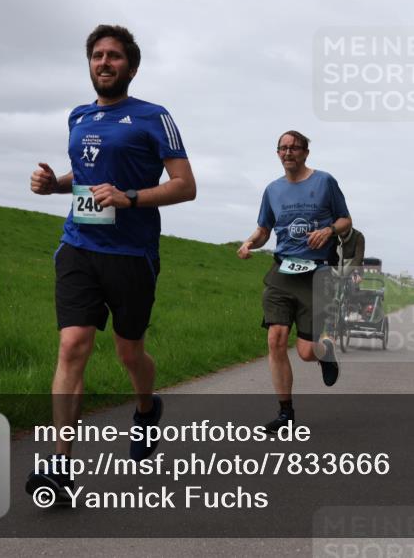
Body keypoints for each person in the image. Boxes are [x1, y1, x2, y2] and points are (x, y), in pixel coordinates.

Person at [26, 24, 196, 503]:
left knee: (129, 354)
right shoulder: (78, 116)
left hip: (132, 255)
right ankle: (59, 468)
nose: (104, 62)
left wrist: (130, 197)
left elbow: (185, 185)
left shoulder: (153, 117)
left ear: (131, 66)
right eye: (97, 55)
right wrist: (52, 185)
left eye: (114, 56)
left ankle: (146, 407)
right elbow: (83, 177)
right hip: (79, 246)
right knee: (73, 346)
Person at [237, 131, 352, 433]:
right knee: (275, 338)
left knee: (304, 352)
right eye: (282, 148)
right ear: (277, 153)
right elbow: (264, 229)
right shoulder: (272, 190)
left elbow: (345, 220)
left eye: (294, 148)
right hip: (282, 272)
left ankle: (326, 353)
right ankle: (285, 413)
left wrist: (328, 231)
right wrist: (250, 243)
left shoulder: (324, 181)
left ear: (305, 152)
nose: (288, 153)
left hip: (317, 274)